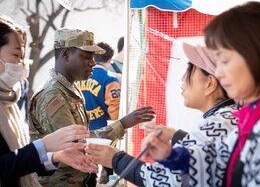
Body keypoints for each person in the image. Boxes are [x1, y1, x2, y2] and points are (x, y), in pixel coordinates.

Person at [143, 1, 260, 187]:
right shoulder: (257, 113)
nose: (218, 72)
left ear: (258, 57)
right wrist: (171, 155)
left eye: (224, 60)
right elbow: (218, 160)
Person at [85, 43, 238, 186]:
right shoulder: (230, 117)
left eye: (189, 71)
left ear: (210, 84)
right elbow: (208, 150)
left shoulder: (220, 123)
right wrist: (176, 134)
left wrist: (115, 159)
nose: (182, 79)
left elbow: (166, 179)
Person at [28, 27, 156, 187]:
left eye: (93, 57)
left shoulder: (71, 89)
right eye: (86, 56)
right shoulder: (53, 96)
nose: (93, 62)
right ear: (66, 54)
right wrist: (122, 124)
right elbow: (77, 146)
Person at [0, 16, 97, 187]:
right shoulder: (52, 94)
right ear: (65, 54)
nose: (20, 64)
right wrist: (43, 146)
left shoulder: (7, 101)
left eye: (23, 57)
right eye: (16, 55)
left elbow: (20, 159)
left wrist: (55, 156)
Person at [77, 41, 121, 130]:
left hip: (80, 131)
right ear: (110, 59)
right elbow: (115, 109)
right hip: (103, 133)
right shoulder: (110, 79)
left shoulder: (77, 76)